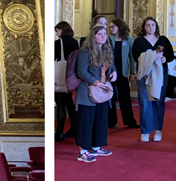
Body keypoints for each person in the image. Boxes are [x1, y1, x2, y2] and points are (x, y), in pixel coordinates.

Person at [74, 25, 117, 163]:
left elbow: (111, 65)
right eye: (99, 34)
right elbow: (81, 72)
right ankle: (83, 152)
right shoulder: (85, 51)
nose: (103, 36)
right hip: (88, 91)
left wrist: (113, 72)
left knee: (101, 121)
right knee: (86, 122)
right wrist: (95, 82)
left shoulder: (106, 50)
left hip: (103, 92)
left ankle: (97, 147)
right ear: (93, 36)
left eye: (104, 34)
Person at [131, 17, 176, 142]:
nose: (150, 27)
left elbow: (171, 56)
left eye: (153, 25)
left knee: (158, 101)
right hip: (145, 74)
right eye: (148, 25)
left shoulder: (163, 40)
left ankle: (158, 130)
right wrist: (151, 56)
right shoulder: (139, 41)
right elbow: (136, 57)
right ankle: (145, 131)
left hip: (161, 74)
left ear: (156, 27)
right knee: (145, 102)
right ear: (144, 27)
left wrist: (164, 59)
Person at [108, 18, 138, 129]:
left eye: (113, 26)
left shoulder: (129, 40)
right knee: (110, 96)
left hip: (123, 71)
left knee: (125, 96)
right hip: (110, 72)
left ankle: (130, 121)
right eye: (110, 27)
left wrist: (132, 72)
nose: (111, 29)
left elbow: (131, 57)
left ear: (120, 27)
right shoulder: (108, 39)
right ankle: (111, 121)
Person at [54, 21, 80, 142]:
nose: (56, 33)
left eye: (57, 30)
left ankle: (59, 132)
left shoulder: (57, 44)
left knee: (60, 104)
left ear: (62, 30)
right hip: (70, 76)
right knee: (70, 103)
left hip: (59, 76)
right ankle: (74, 129)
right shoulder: (75, 42)